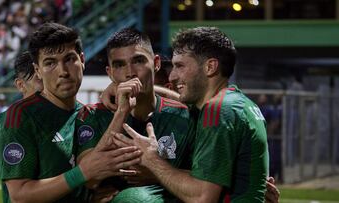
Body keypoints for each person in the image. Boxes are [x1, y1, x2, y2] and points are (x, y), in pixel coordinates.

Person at [114, 27, 271, 202]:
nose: (172, 76)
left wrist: (151, 159)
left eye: (180, 66)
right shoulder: (240, 104)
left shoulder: (218, 110)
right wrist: (116, 89)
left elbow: (202, 197)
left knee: (132, 199)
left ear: (210, 67)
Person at [0, 22, 142, 203]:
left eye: (69, 59)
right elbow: (20, 196)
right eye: (50, 63)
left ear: (82, 60)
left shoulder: (88, 115)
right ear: (38, 71)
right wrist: (82, 174)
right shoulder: (21, 116)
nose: (63, 71)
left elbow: (93, 176)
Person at [75, 27, 194, 202]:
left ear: (156, 63)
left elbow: (205, 180)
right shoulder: (92, 115)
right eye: (119, 65)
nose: (129, 72)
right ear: (110, 73)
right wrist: (121, 112)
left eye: (138, 61)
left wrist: (157, 172)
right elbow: (89, 179)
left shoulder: (183, 116)